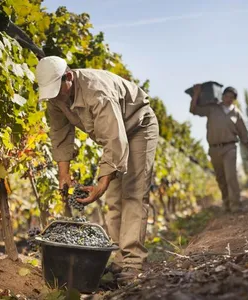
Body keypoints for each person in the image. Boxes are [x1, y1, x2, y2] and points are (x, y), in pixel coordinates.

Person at [35, 56, 159, 284]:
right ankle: (118, 259)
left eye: (57, 90)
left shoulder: (96, 92)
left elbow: (115, 139)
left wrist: (101, 183)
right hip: (117, 136)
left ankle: (133, 262)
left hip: (138, 128)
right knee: (114, 199)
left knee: (132, 192)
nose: (55, 97)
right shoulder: (56, 98)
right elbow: (60, 135)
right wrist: (63, 174)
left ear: (69, 77)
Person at [189, 84, 248, 213]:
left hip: (229, 148)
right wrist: (196, 94)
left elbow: (244, 136)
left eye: (232, 97)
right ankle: (226, 202)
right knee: (221, 178)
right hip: (214, 149)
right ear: (222, 96)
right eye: (227, 96)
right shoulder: (212, 108)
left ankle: (236, 205)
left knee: (231, 177)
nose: (228, 99)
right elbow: (194, 110)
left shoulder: (236, 113)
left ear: (234, 100)